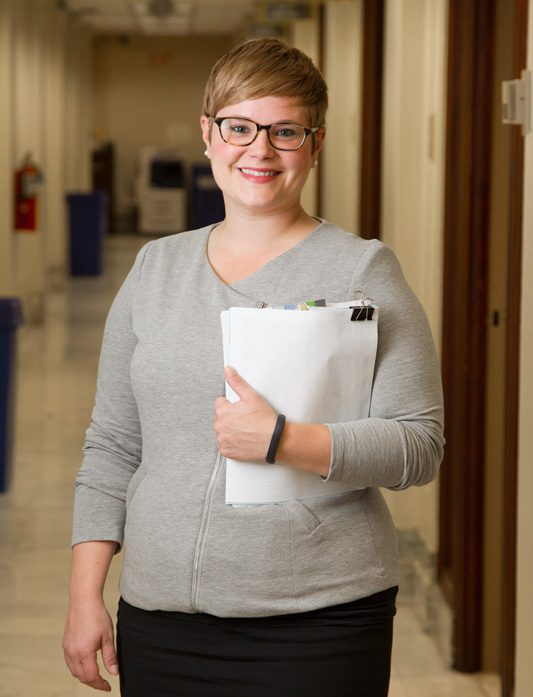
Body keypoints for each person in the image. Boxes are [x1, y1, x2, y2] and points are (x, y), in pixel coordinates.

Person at [63, 37, 444, 697]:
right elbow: (112, 445)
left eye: (284, 131)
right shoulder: (157, 268)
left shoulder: (361, 270)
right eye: (239, 127)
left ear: (315, 144)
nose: (259, 150)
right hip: (161, 620)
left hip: (319, 622)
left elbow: (417, 442)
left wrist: (282, 438)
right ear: (209, 135)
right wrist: (84, 593)